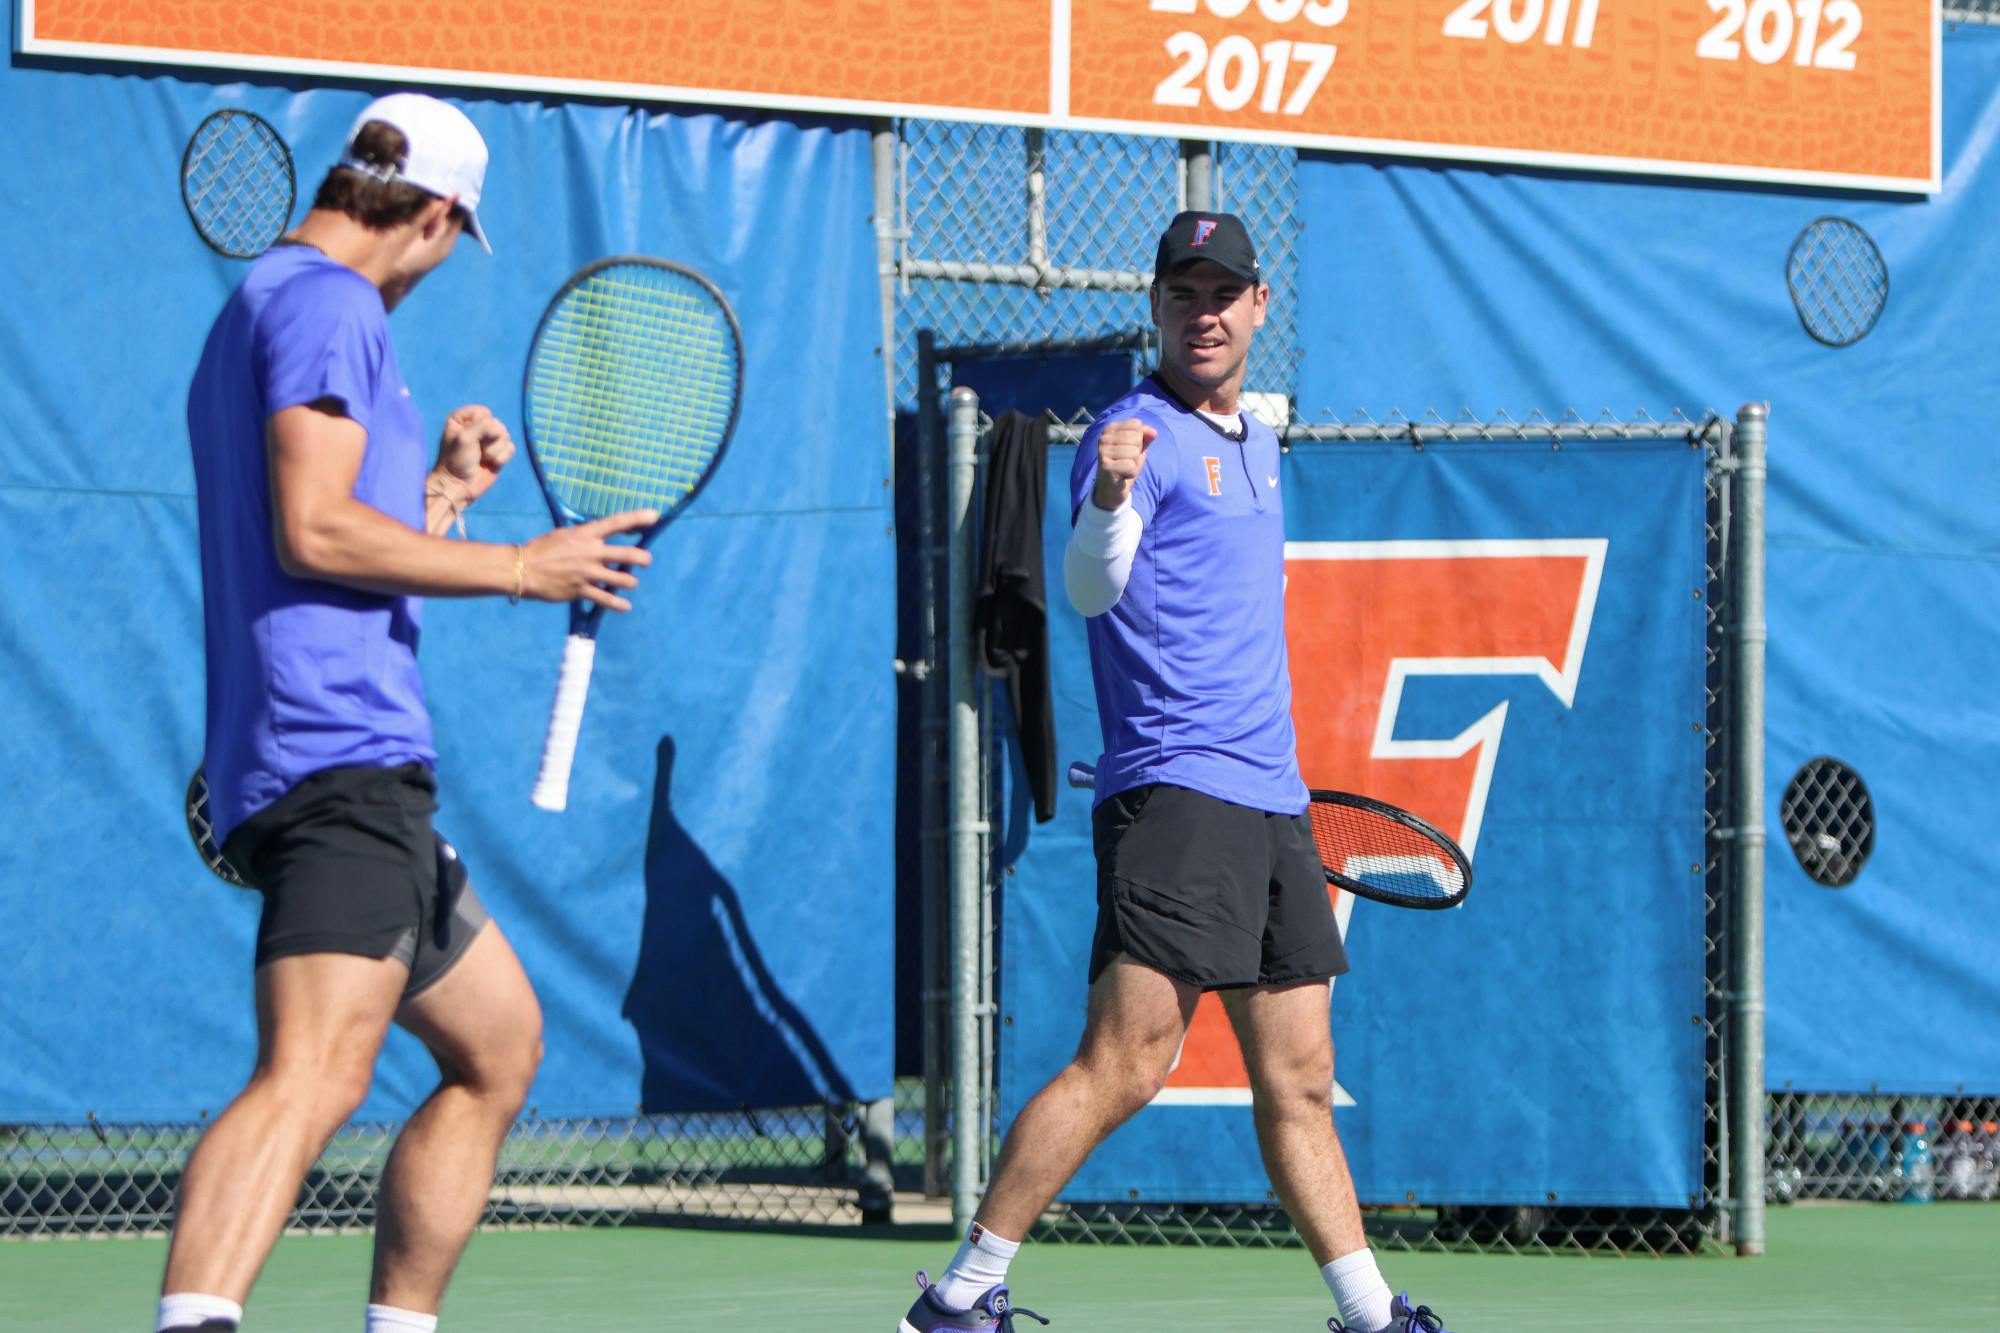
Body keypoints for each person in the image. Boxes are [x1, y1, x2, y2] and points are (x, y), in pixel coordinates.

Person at [896, 213, 1455, 1333]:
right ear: (1154, 307)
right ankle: (958, 1297)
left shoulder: (1259, 443)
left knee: (1299, 1076)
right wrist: (1108, 498)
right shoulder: (1131, 436)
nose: (1204, 314)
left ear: (1257, 307)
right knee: (1126, 1061)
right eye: (1183, 294)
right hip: (1177, 792)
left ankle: (1368, 1314)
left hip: (1271, 800)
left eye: (1223, 294)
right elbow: (1090, 588)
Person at [161, 93, 656, 1333]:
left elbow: (331, 541)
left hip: (343, 753)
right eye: (450, 243)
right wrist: (521, 566)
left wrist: (439, 494)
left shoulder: (268, 304)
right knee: (312, 1072)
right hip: (334, 752)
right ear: (434, 215)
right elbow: (314, 530)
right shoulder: (331, 305)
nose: (435, 268)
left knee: (498, 1048)